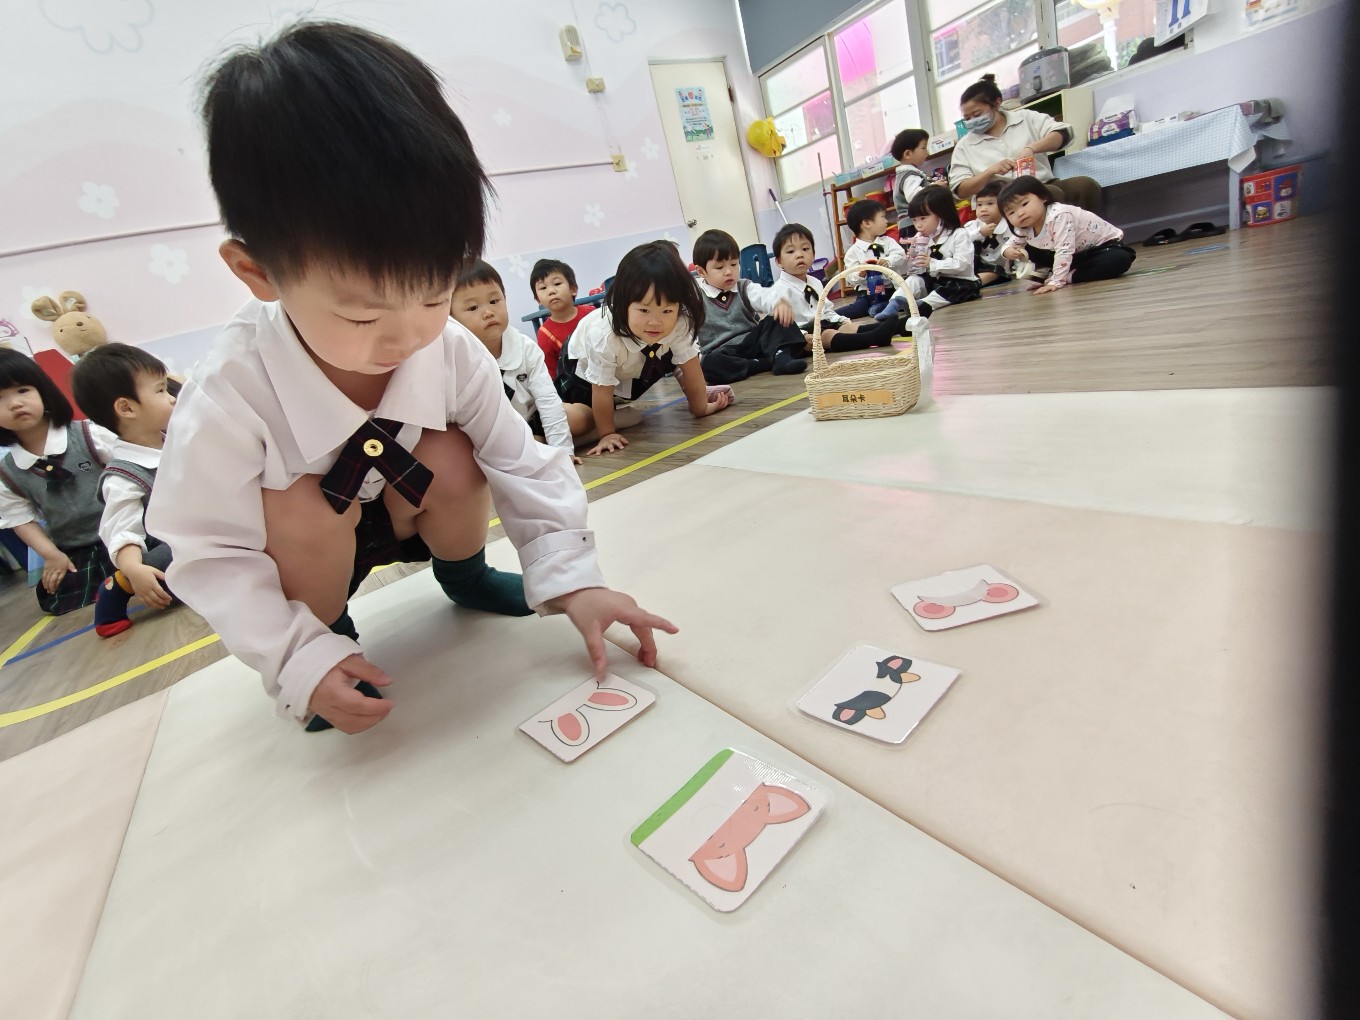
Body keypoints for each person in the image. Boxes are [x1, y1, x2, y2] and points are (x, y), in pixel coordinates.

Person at [148, 21, 675, 734]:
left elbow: (520, 460)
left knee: (456, 452)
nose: (408, 337)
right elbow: (208, 549)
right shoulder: (231, 388)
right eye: (362, 315)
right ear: (257, 272)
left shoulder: (449, 348)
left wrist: (574, 581)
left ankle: (464, 575)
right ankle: (332, 636)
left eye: (432, 295)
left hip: (411, 507)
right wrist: (297, 658)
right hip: (310, 552)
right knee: (295, 509)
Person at [560, 240, 733, 457]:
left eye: (667, 311)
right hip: (580, 369)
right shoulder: (604, 335)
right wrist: (608, 434)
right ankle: (547, 422)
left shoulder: (680, 321)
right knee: (582, 417)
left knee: (665, 360)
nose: (655, 322)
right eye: (644, 310)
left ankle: (615, 418)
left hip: (631, 364)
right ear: (623, 304)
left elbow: (691, 367)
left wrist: (701, 408)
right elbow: (601, 391)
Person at [69, 343, 179, 637]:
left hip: (202, 524)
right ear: (127, 408)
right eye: (160, 390)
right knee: (187, 555)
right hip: (170, 545)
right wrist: (134, 570)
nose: (171, 398)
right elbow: (122, 531)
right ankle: (118, 586)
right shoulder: (124, 477)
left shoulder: (174, 438)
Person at [0, 348, 116, 615]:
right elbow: (20, 520)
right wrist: (52, 555)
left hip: (125, 529)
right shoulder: (7, 472)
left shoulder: (89, 435)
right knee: (57, 594)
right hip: (77, 548)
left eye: (22, 390)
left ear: (44, 391)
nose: (14, 404)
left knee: (155, 560)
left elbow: (134, 472)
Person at [451, 261, 586, 461]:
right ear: (451, 318)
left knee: (576, 416)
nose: (488, 312)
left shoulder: (525, 347)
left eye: (494, 301)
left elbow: (547, 400)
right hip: (494, 435)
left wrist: (564, 450)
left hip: (531, 418)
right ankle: (535, 446)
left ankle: (601, 424)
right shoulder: (456, 359)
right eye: (473, 307)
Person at [948, 73, 1103, 212]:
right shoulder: (965, 146)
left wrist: (1032, 148)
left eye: (977, 114)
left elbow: (1063, 133)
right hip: (1001, 199)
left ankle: (1089, 233)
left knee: (1084, 186)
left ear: (996, 103)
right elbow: (960, 190)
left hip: (1043, 183)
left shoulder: (1025, 118)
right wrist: (990, 172)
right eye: (967, 118)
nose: (972, 121)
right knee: (1049, 195)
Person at [690, 229, 807, 385]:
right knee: (709, 363)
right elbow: (688, 332)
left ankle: (781, 356)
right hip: (723, 352)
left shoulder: (744, 287)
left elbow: (763, 296)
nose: (729, 272)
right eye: (719, 267)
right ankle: (765, 362)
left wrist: (778, 302)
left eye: (734, 264)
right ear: (701, 271)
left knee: (777, 320)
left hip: (752, 343)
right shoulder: (696, 299)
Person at [765, 223, 905, 351]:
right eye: (790, 252)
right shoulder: (779, 291)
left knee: (847, 327)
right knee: (827, 334)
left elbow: (826, 309)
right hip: (801, 335)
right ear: (779, 261)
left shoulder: (815, 282)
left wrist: (840, 320)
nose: (800, 255)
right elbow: (781, 326)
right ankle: (874, 338)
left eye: (805, 249)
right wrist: (802, 335)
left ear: (813, 254)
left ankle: (897, 327)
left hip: (822, 324)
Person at [997, 176, 1137, 293]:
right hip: (1074, 255)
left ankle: (1068, 276)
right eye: (1011, 212)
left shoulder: (1059, 215)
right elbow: (1010, 244)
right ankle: (1054, 273)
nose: (1020, 213)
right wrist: (1007, 251)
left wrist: (1056, 282)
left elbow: (1064, 250)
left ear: (1043, 197)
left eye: (1024, 204)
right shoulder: (1025, 227)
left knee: (1119, 259)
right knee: (1027, 247)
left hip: (1102, 249)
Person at [875, 187, 980, 319]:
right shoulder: (922, 238)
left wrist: (932, 263)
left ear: (941, 214)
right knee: (914, 279)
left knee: (950, 290)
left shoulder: (959, 234)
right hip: (934, 281)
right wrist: (911, 260)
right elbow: (914, 270)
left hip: (961, 281)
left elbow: (962, 264)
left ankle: (922, 305)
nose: (918, 225)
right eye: (914, 220)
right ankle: (893, 305)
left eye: (923, 218)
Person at [841, 199, 909, 319]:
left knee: (903, 297)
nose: (886, 221)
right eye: (882, 217)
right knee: (855, 309)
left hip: (890, 289)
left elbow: (900, 255)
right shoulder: (852, 252)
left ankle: (883, 307)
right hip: (867, 295)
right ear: (867, 223)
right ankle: (826, 317)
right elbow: (850, 277)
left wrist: (888, 261)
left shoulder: (888, 242)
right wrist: (860, 273)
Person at [530, 259, 591, 381]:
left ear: (573, 289)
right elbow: (552, 376)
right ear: (538, 299)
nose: (551, 291)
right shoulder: (545, 334)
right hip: (575, 387)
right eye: (543, 287)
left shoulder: (591, 314)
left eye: (557, 283)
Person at [965, 179, 1015, 286]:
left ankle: (971, 285)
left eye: (990, 203)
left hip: (1000, 269)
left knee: (995, 272)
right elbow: (960, 242)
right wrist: (979, 233)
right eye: (979, 204)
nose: (983, 209)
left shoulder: (1011, 224)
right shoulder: (972, 226)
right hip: (976, 266)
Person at [889, 128, 931, 228]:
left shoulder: (905, 173)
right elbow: (914, 197)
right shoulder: (910, 175)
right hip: (913, 224)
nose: (927, 152)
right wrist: (934, 187)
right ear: (907, 154)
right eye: (924, 148)